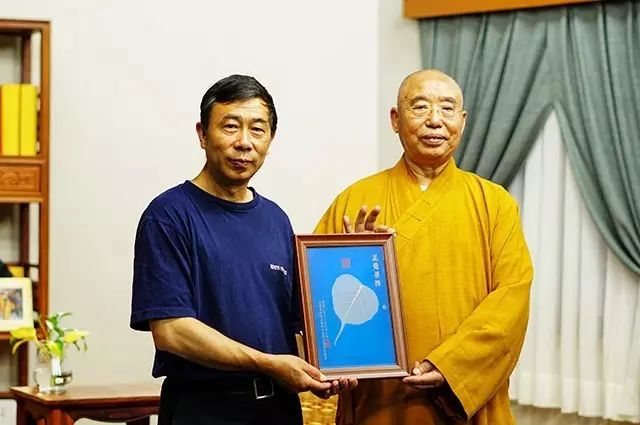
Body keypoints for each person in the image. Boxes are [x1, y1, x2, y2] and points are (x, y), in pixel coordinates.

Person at [130, 74, 355, 425]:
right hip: (205, 410)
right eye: (230, 127)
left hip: (279, 409)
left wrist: (355, 259)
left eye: (258, 129)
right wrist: (269, 363)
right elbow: (171, 331)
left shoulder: (276, 219)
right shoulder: (169, 215)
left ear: (271, 139)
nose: (244, 142)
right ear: (202, 135)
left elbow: (299, 327)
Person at [315, 69, 533, 424]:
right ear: (395, 120)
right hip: (380, 397)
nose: (435, 120)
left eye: (447, 109)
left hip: (466, 395)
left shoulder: (495, 203)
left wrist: (451, 364)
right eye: (420, 107)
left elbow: (513, 297)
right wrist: (351, 257)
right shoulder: (355, 200)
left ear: (462, 122)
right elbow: (318, 294)